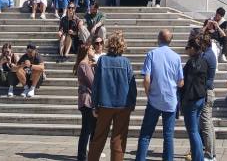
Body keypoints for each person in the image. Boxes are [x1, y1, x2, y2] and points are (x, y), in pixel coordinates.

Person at [134, 29, 184, 161]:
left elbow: (146, 79)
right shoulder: (176, 57)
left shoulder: (152, 54)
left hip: (154, 99)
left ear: (158, 38)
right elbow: (180, 82)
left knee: (145, 134)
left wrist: (148, 93)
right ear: (170, 41)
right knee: (168, 136)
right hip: (170, 100)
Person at [88, 30, 137, 161]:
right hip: (123, 105)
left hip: (105, 103)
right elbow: (132, 85)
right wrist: (132, 103)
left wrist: (94, 105)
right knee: (118, 139)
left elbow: (96, 85)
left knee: (98, 137)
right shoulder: (126, 62)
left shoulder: (102, 60)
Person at [181, 34, 209, 161]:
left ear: (193, 48)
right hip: (200, 98)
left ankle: (198, 158)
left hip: (192, 99)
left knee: (192, 131)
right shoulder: (203, 61)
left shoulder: (192, 62)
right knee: (195, 130)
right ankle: (197, 157)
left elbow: (187, 83)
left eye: (188, 47)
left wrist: (183, 100)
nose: (187, 50)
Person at [75, 41, 98, 161]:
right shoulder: (84, 65)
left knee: (91, 129)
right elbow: (93, 83)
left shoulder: (86, 64)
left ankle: (89, 155)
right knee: (87, 130)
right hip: (87, 101)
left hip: (88, 100)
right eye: (92, 48)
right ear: (87, 51)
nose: (94, 50)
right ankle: (82, 156)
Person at [199, 32, 217, 161]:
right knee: (208, 124)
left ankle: (209, 154)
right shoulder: (209, 54)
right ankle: (212, 153)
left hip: (206, 92)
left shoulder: (206, 56)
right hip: (208, 92)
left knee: (206, 125)